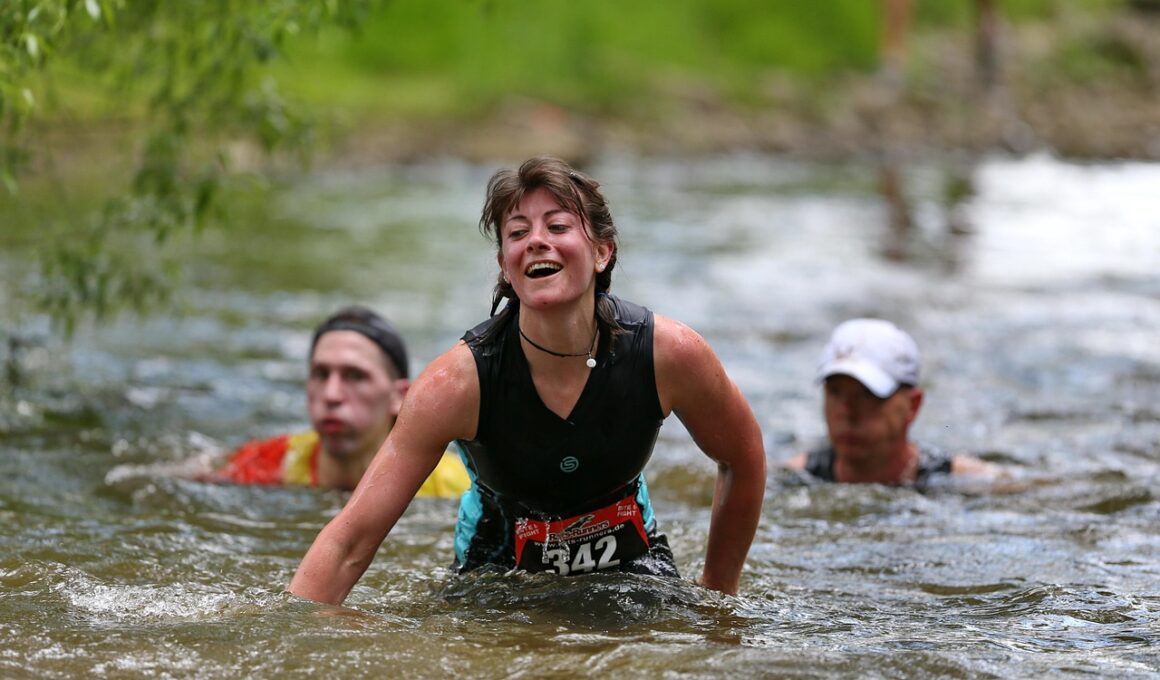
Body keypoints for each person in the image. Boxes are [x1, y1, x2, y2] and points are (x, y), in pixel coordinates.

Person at [287, 155, 766, 604]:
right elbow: (351, 539)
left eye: (558, 226)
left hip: (630, 565)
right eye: (518, 232)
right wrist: (293, 632)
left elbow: (743, 458)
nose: (537, 241)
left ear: (602, 252)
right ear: (505, 265)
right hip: (496, 575)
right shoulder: (456, 383)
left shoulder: (668, 354)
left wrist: (719, 596)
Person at [205, 305, 470, 496]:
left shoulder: (452, 486)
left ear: (400, 397)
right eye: (321, 374)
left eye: (355, 376)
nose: (331, 395)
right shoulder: (266, 463)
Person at [785, 318, 1001, 486]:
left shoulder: (973, 480)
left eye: (868, 395)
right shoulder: (793, 477)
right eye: (835, 392)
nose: (847, 411)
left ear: (913, 406)